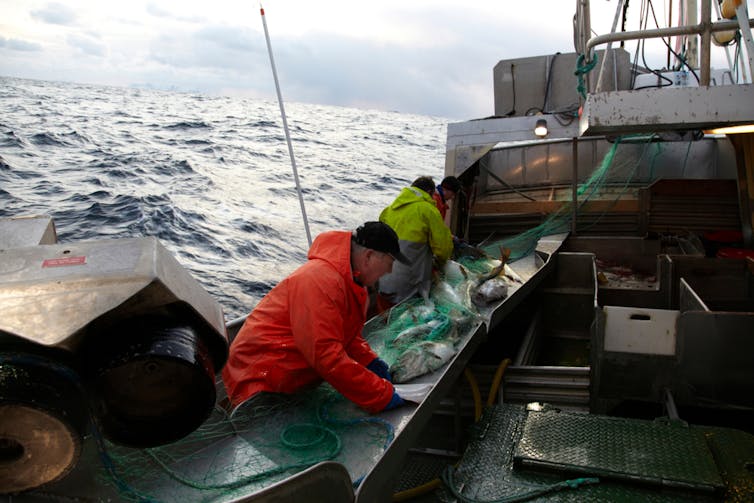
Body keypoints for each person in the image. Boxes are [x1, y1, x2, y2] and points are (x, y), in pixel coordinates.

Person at [222, 221, 411, 414]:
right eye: (390, 262)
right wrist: (380, 395)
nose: (389, 271)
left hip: (292, 377)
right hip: (260, 381)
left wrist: (369, 361)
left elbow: (344, 334)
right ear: (369, 256)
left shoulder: (350, 281)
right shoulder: (320, 280)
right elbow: (325, 355)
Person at [377, 176, 454, 310]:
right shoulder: (429, 210)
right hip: (408, 289)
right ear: (430, 192)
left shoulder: (388, 210)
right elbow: (443, 250)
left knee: (385, 320)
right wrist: (440, 264)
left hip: (382, 283)